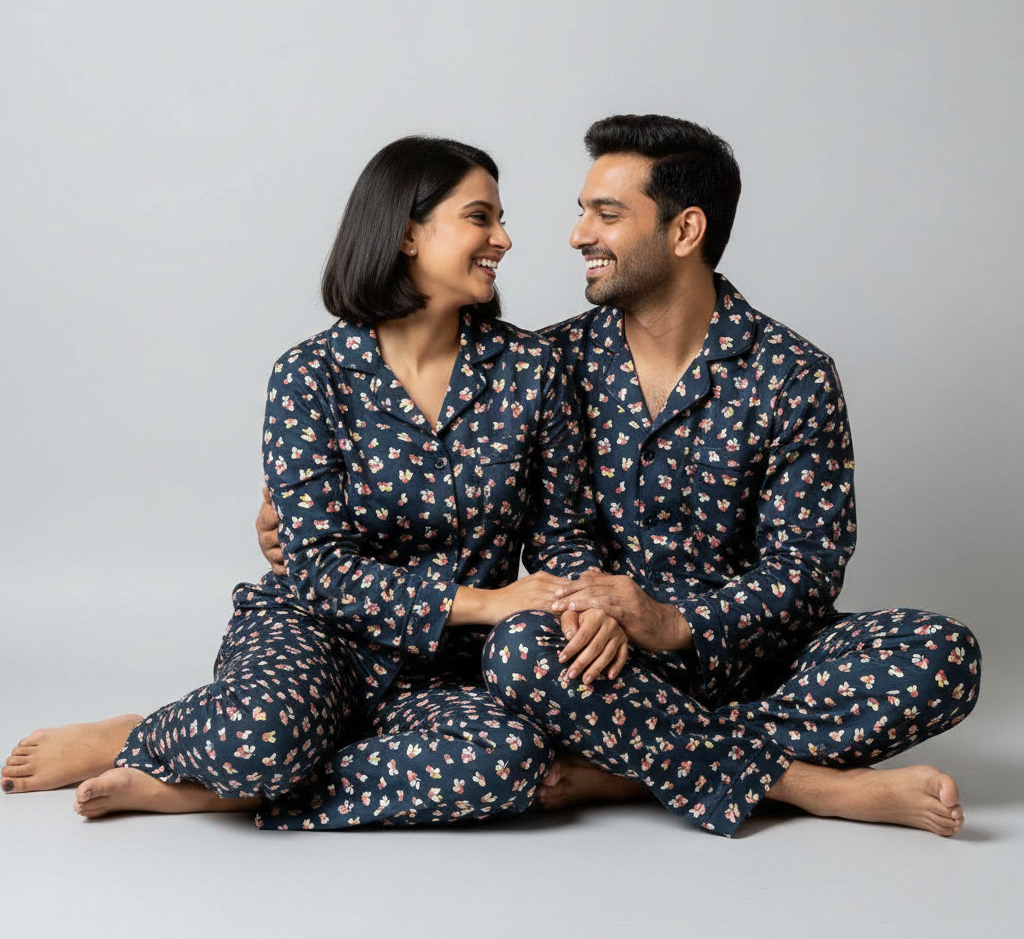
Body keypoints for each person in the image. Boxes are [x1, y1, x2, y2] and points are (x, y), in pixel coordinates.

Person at [255, 116, 982, 838]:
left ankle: (627, 769)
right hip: (604, 660)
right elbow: (495, 509)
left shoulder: (793, 376)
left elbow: (808, 570)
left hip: (756, 658)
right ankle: (797, 783)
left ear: (685, 231)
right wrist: (294, 519)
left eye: (606, 215)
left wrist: (679, 623)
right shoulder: (547, 363)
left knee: (941, 654)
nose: (578, 235)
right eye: (583, 212)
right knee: (521, 652)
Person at [1, 136, 627, 829]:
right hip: (315, 633)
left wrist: (586, 600)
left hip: (445, 666)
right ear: (407, 233)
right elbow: (319, 567)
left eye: (501, 220)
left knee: (514, 760)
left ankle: (232, 786)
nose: (503, 239)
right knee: (263, 729)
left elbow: (564, 532)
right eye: (480, 218)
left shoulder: (531, 369)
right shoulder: (308, 375)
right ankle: (143, 735)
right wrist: (488, 602)